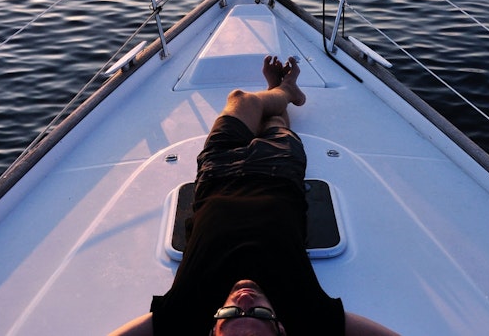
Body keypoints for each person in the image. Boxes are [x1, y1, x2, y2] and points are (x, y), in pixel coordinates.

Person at [109, 56, 400, 336]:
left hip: (217, 173)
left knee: (241, 99)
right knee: (275, 124)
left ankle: (283, 90)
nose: (244, 301)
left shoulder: (181, 318)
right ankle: (284, 92)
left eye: (229, 314)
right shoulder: (309, 317)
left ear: (211, 329)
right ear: (282, 328)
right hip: (278, 172)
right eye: (261, 314)